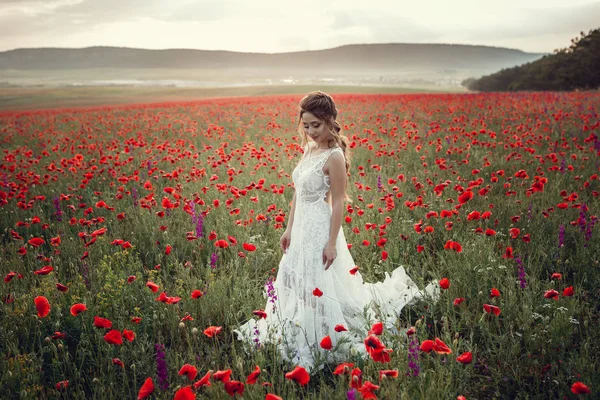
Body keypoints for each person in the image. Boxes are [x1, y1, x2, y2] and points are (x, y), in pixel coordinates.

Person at [234, 91, 439, 371]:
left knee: (317, 280)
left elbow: (339, 200)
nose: (310, 131)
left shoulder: (334, 156)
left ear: (330, 120)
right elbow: (298, 194)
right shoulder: (309, 150)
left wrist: (331, 243)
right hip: (301, 225)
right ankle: (298, 323)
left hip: (320, 224)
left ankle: (321, 330)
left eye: (315, 125)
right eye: (305, 125)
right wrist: (288, 228)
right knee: (292, 278)